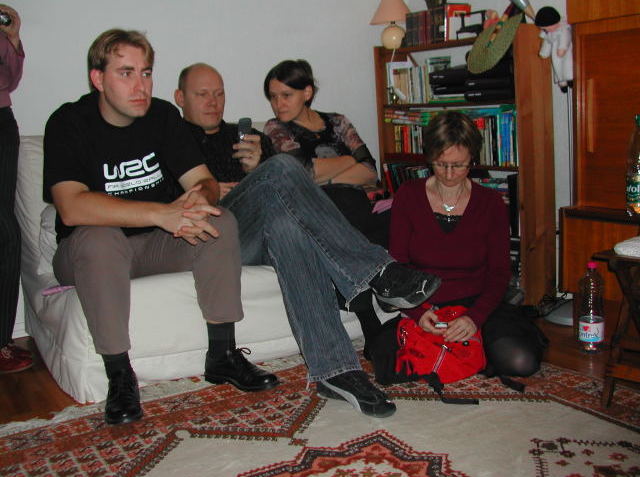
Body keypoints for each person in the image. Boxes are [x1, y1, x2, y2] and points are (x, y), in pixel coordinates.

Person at [174, 63, 441, 418]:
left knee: (288, 225)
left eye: (219, 93)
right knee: (284, 167)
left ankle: (335, 370)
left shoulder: (248, 137)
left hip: (258, 232)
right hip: (215, 234)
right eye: (202, 94)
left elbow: (290, 196)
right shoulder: (171, 138)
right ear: (180, 98)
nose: (213, 101)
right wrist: (207, 194)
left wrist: (255, 171)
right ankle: (379, 272)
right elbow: (164, 201)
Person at [43, 30, 278, 426]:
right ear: (98, 79)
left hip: (154, 245)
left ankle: (222, 355)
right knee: (100, 237)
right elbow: (71, 207)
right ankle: (120, 376)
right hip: (87, 251)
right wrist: (160, 213)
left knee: (219, 220)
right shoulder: (69, 122)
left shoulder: (163, 116)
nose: (141, 86)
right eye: (126, 73)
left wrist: (198, 202)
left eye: (146, 73)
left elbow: (202, 181)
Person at [388, 111, 545, 378]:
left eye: (459, 165)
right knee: (397, 363)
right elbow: (397, 267)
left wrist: (474, 318)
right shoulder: (409, 195)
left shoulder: (491, 203)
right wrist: (416, 312)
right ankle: (468, 354)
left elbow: (499, 273)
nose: (449, 174)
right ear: (429, 157)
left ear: (473, 158)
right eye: (441, 164)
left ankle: (472, 348)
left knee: (521, 362)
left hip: (478, 303)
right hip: (425, 304)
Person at [262, 59, 391, 358]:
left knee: (395, 216)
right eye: (273, 96)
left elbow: (370, 170)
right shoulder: (275, 129)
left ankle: (378, 296)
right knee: (339, 211)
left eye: (286, 95)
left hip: (355, 204)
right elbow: (303, 174)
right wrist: (348, 161)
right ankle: (371, 317)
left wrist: (328, 175)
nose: (278, 104)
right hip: (318, 208)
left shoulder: (338, 121)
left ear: (307, 92)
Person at [0, 4, 32, 373]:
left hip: (2, 122)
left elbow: (9, 81)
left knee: (6, 233)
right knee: (6, 233)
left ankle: (2, 341)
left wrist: (12, 40)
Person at [534, 6, 573, 93]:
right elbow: (547, 43)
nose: (544, 31)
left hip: (566, 54)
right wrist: (543, 53)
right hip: (556, 56)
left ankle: (570, 78)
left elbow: (565, 39)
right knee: (557, 68)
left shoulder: (563, 30)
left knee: (567, 65)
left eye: (544, 28)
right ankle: (562, 83)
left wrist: (562, 48)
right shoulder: (548, 33)